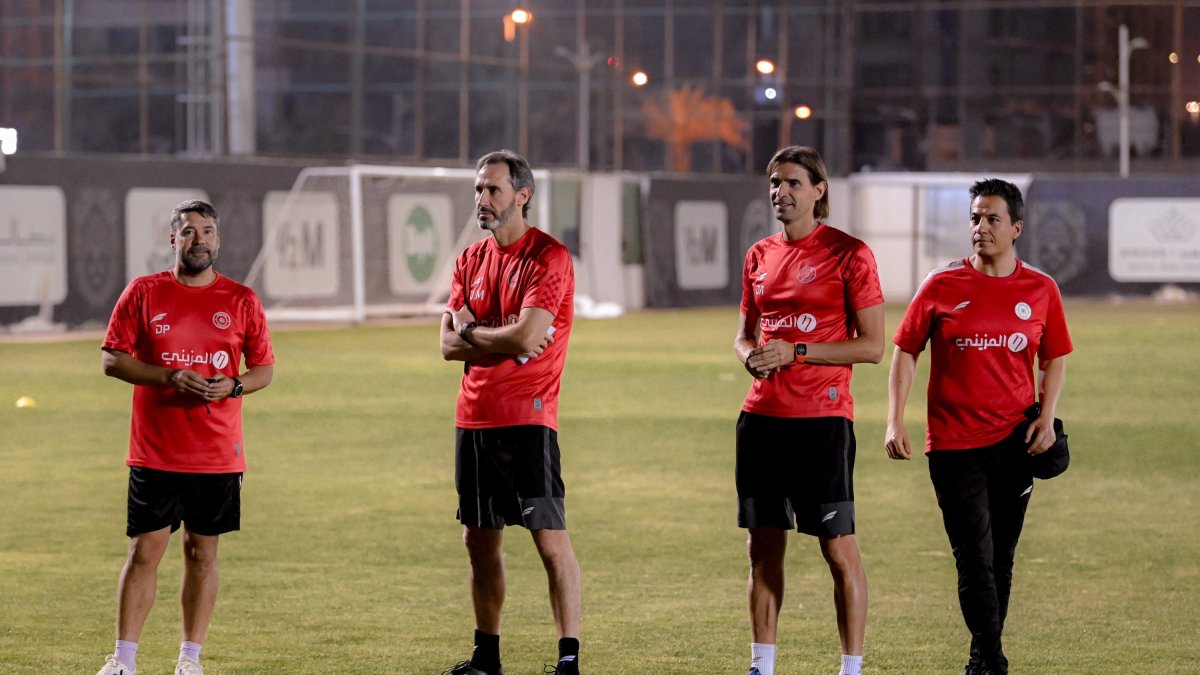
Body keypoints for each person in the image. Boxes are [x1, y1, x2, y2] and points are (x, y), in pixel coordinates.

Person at [885, 179, 1072, 675]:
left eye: (991, 219)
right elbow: (905, 351)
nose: (980, 227)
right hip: (952, 444)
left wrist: (1047, 416)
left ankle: (980, 657)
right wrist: (894, 420)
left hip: (1015, 443)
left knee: (1001, 559)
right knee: (973, 555)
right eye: (974, 218)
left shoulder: (1040, 288)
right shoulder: (941, 285)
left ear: (1016, 227)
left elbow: (1053, 358)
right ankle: (992, 657)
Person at [96, 200, 275, 675]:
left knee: (202, 553)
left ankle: (189, 659)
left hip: (216, 454)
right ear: (173, 239)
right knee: (144, 551)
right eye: (190, 232)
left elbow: (264, 369)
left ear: (218, 239)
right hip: (155, 450)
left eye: (208, 231)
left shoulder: (241, 299)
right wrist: (167, 377)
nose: (200, 240)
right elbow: (112, 359)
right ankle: (124, 660)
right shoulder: (143, 292)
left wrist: (234, 384)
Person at [733, 146, 885, 675]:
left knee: (837, 549)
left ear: (819, 190)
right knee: (762, 548)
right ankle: (762, 666)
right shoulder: (758, 255)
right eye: (775, 182)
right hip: (762, 421)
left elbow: (871, 346)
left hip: (822, 422)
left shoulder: (850, 254)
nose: (781, 191)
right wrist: (750, 357)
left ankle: (850, 669)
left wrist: (797, 351)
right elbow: (743, 335)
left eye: (793, 182)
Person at [440, 150, 582, 675]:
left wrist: (474, 331)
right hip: (474, 417)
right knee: (479, 543)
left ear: (522, 195)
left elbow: (526, 334)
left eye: (493, 190)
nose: (482, 199)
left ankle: (567, 660)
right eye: (479, 189)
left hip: (529, 417)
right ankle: (486, 657)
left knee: (549, 542)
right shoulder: (470, 259)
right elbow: (447, 346)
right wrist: (494, 339)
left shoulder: (550, 257)